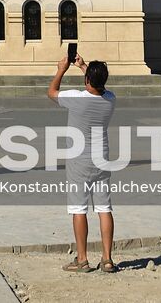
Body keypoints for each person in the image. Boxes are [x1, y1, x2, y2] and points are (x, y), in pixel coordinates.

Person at [47, 53, 117, 273]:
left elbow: (51, 93)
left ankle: (83, 259)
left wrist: (61, 69)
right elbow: (98, 86)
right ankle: (107, 259)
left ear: (88, 81)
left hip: (79, 160)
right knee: (104, 208)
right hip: (102, 159)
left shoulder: (77, 99)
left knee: (79, 209)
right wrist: (84, 66)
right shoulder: (110, 99)